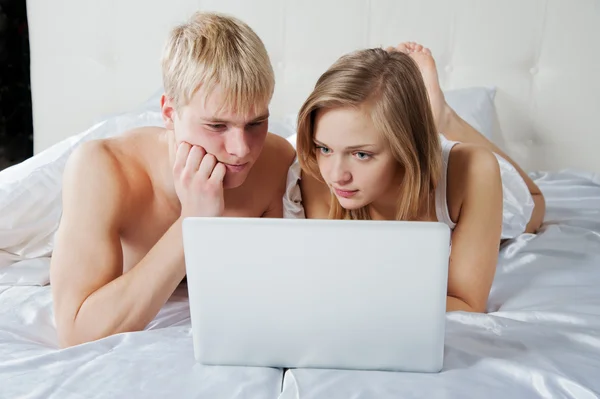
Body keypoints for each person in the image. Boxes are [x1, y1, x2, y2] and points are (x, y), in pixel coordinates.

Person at [50, 12, 296, 347]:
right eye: (217, 126)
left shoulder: (276, 161)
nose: (241, 150)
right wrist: (190, 220)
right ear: (169, 113)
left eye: (256, 123)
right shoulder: (103, 169)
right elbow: (77, 332)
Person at [295, 42, 545, 313]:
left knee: (534, 206)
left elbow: (467, 303)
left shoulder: (474, 171)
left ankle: (446, 120)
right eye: (325, 148)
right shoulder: (311, 167)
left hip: (466, 180)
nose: (335, 176)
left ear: (406, 147)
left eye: (361, 155)